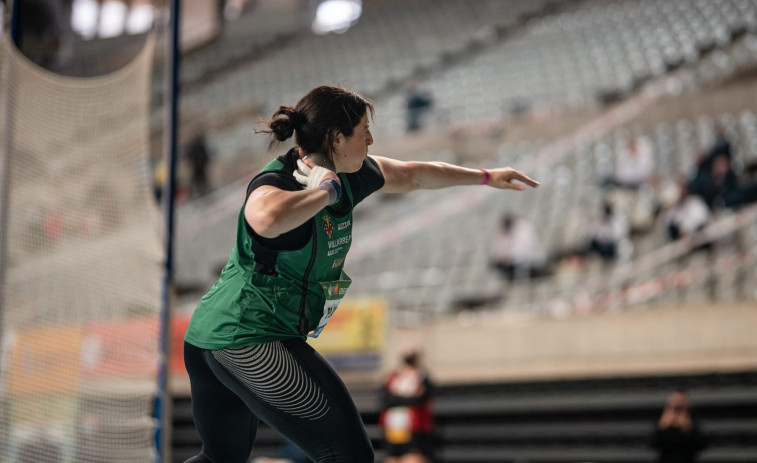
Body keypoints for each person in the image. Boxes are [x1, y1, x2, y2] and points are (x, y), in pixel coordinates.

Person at [182, 85, 539, 463]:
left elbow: (412, 174)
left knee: (221, 459)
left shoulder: (352, 174)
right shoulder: (281, 181)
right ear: (337, 139)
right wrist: (324, 193)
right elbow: (265, 219)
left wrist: (485, 176)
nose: (370, 139)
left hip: (210, 336)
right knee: (347, 455)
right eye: (363, 131)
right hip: (246, 338)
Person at [379, 349, 435, 463]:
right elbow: (386, 399)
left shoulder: (421, 377)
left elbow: (421, 398)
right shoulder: (392, 377)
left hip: (414, 427)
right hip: (394, 425)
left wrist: (398, 398)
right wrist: (409, 398)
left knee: (412, 458)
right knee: (392, 458)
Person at [650, 390, 707, 463]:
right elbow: (653, 444)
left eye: (682, 400)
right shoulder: (662, 419)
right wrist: (663, 427)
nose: (678, 403)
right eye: (675, 400)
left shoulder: (694, 419)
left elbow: (702, 445)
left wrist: (687, 428)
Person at [490, 214, 550, 280]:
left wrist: (509, 257)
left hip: (528, 259)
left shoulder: (524, 227)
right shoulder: (504, 231)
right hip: (512, 262)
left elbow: (525, 248)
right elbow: (499, 248)